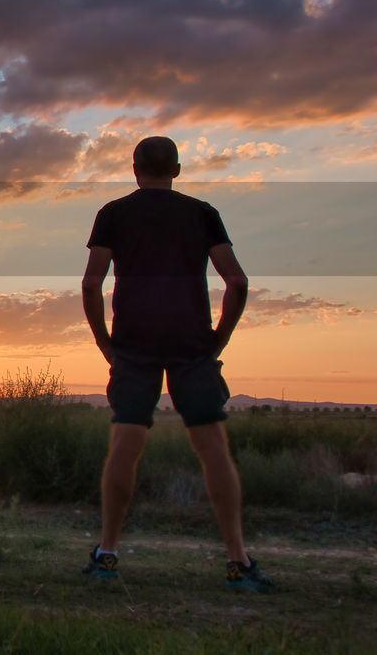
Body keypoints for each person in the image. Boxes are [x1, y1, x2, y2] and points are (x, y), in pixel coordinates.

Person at [80, 136, 272, 593]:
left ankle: (107, 556)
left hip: (134, 344)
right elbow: (238, 282)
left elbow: (91, 284)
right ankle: (236, 562)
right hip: (192, 345)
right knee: (213, 451)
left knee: (125, 446)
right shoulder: (201, 213)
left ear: (134, 170)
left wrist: (105, 344)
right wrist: (216, 341)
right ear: (178, 170)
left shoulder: (114, 214)